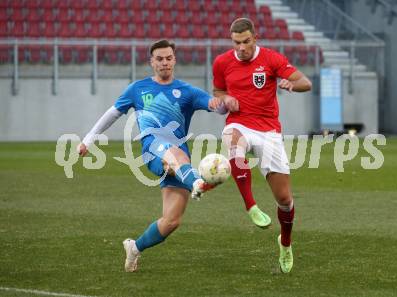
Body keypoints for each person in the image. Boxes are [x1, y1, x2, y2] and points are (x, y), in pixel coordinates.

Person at [77, 39, 234, 272]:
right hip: (153, 148)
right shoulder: (137, 89)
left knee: (171, 221)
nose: (164, 62)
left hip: (180, 161)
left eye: (168, 58)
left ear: (174, 60)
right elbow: (112, 114)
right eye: (159, 59)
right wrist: (88, 139)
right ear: (152, 62)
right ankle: (198, 183)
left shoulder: (187, 91)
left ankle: (135, 248)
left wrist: (222, 103)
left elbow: (217, 107)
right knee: (176, 155)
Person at [212, 18, 312, 273]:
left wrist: (292, 85)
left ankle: (286, 243)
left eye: (246, 41)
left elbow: (305, 82)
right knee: (232, 141)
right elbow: (218, 92)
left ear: (255, 38)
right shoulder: (222, 62)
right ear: (231, 41)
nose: (242, 47)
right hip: (239, 123)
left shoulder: (271, 59)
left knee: (284, 200)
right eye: (237, 43)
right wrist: (226, 99)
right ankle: (251, 206)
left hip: (268, 131)